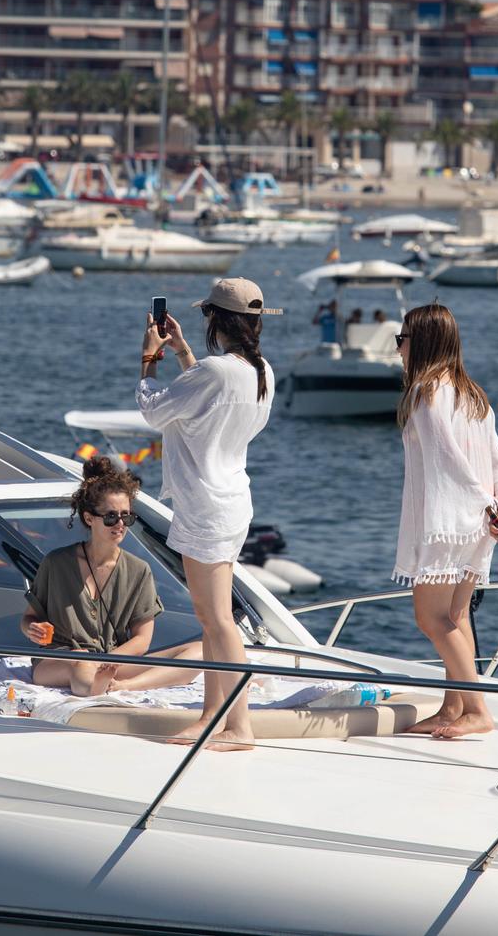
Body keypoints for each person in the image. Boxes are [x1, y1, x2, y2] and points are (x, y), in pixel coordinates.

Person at [137, 277, 277, 750]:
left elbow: (155, 412)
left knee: (217, 618)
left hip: (205, 505)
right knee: (212, 617)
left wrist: (147, 360)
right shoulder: (260, 371)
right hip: (230, 499)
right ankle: (213, 716)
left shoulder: (217, 372)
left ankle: (239, 726)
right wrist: (179, 352)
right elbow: (206, 397)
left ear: (215, 319)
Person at [391, 303, 498, 739]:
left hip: (450, 519)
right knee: (456, 615)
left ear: (421, 342)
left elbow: (449, 458)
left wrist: (486, 504)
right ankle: (452, 707)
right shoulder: (472, 393)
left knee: (431, 618)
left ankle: (477, 710)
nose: (398, 348)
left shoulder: (427, 392)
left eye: (401, 339)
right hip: (476, 524)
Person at [20, 456, 204, 695]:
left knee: (200, 651)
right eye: (110, 517)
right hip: (59, 661)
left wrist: (110, 660)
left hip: (112, 662)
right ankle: (96, 689)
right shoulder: (56, 563)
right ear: (89, 518)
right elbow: (29, 618)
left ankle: (122, 686)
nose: (120, 524)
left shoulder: (138, 570)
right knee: (82, 659)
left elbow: (141, 640)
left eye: (126, 516)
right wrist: (33, 629)